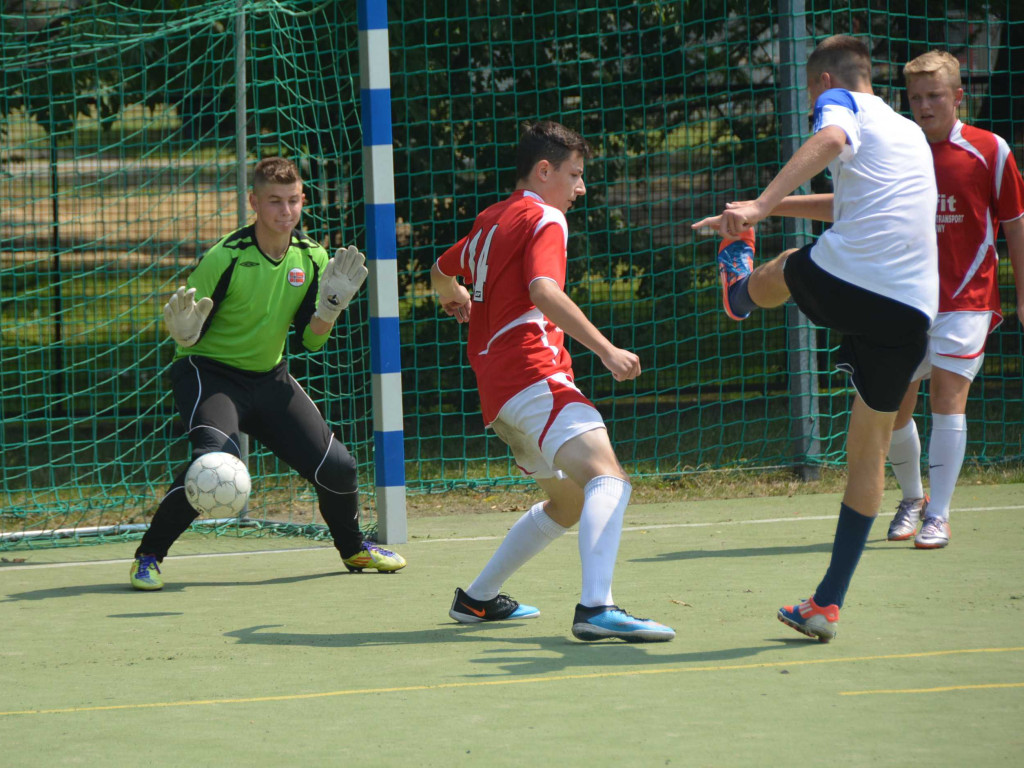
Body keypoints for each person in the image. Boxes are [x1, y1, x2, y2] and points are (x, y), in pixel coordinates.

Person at [692, 35, 938, 642]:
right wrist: (765, 205)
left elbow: (828, 139)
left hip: (860, 280)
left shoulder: (840, 105)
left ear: (825, 81)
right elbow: (848, 204)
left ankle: (738, 294)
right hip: (912, 311)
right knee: (867, 450)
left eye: (811, 95)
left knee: (782, 270)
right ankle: (826, 604)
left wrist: (757, 209)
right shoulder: (906, 132)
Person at [430, 121, 674, 642]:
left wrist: (454, 298)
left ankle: (476, 601)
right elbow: (543, 289)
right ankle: (597, 608)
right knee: (609, 479)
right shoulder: (546, 217)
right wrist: (607, 350)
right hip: (534, 374)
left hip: (498, 395)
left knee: (569, 503)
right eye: (575, 175)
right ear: (545, 172)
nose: (580, 188)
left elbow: (439, 270)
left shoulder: (491, 220)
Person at [129, 157, 406, 590]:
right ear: (254, 202)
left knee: (339, 466)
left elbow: (310, 343)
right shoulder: (226, 257)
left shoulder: (311, 258)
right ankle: (148, 556)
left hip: (269, 377)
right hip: (210, 374)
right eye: (275, 201)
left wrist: (331, 309)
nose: (285, 211)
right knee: (216, 467)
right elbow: (187, 327)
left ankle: (354, 549)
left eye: (293, 201)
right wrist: (184, 335)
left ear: (303, 201)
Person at [884, 50, 1024, 549]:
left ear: (958, 97)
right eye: (916, 97)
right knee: (895, 407)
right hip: (907, 302)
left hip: (969, 298)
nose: (924, 106)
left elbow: (1015, 225)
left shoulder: (991, 150)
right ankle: (913, 497)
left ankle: (938, 516)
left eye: (934, 96)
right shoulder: (900, 152)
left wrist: (1023, 296)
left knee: (948, 398)